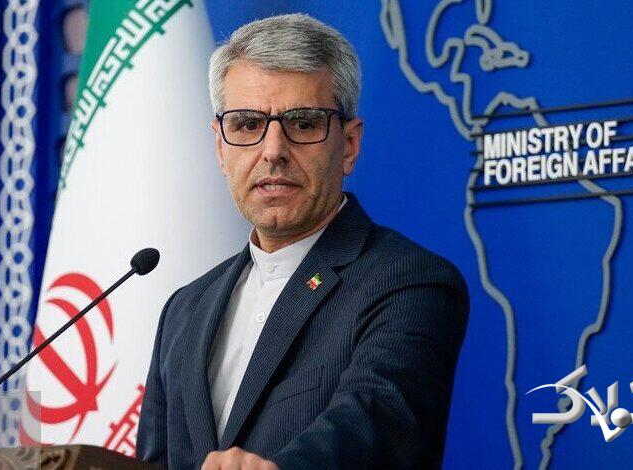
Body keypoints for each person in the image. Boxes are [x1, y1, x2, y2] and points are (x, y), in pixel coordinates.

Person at [135, 13, 469, 470]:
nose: (273, 151)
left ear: (348, 145)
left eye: (304, 123)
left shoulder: (411, 283)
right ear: (220, 148)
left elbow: (373, 423)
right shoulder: (184, 309)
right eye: (247, 124)